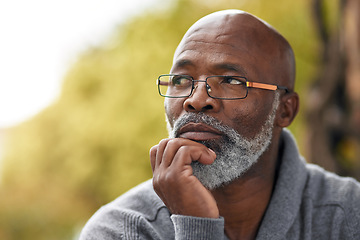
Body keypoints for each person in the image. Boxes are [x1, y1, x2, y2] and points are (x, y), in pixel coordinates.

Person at [79, 10, 360, 240]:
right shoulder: (122, 229)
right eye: (181, 80)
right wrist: (195, 227)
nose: (197, 99)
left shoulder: (348, 214)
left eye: (231, 81)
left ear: (285, 111)